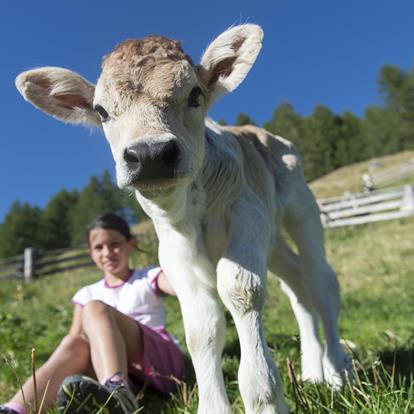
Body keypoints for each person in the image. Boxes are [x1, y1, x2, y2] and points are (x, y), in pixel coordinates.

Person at [0, 212, 184, 414]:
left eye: (115, 244)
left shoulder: (148, 276)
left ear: (131, 244)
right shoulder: (86, 293)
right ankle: (15, 409)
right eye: (98, 247)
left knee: (96, 308)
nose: (107, 252)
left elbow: (184, 287)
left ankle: (118, 394)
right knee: (73, 342)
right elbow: (75, 342)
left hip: (160, 364)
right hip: (118, 371)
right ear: (91, 253)